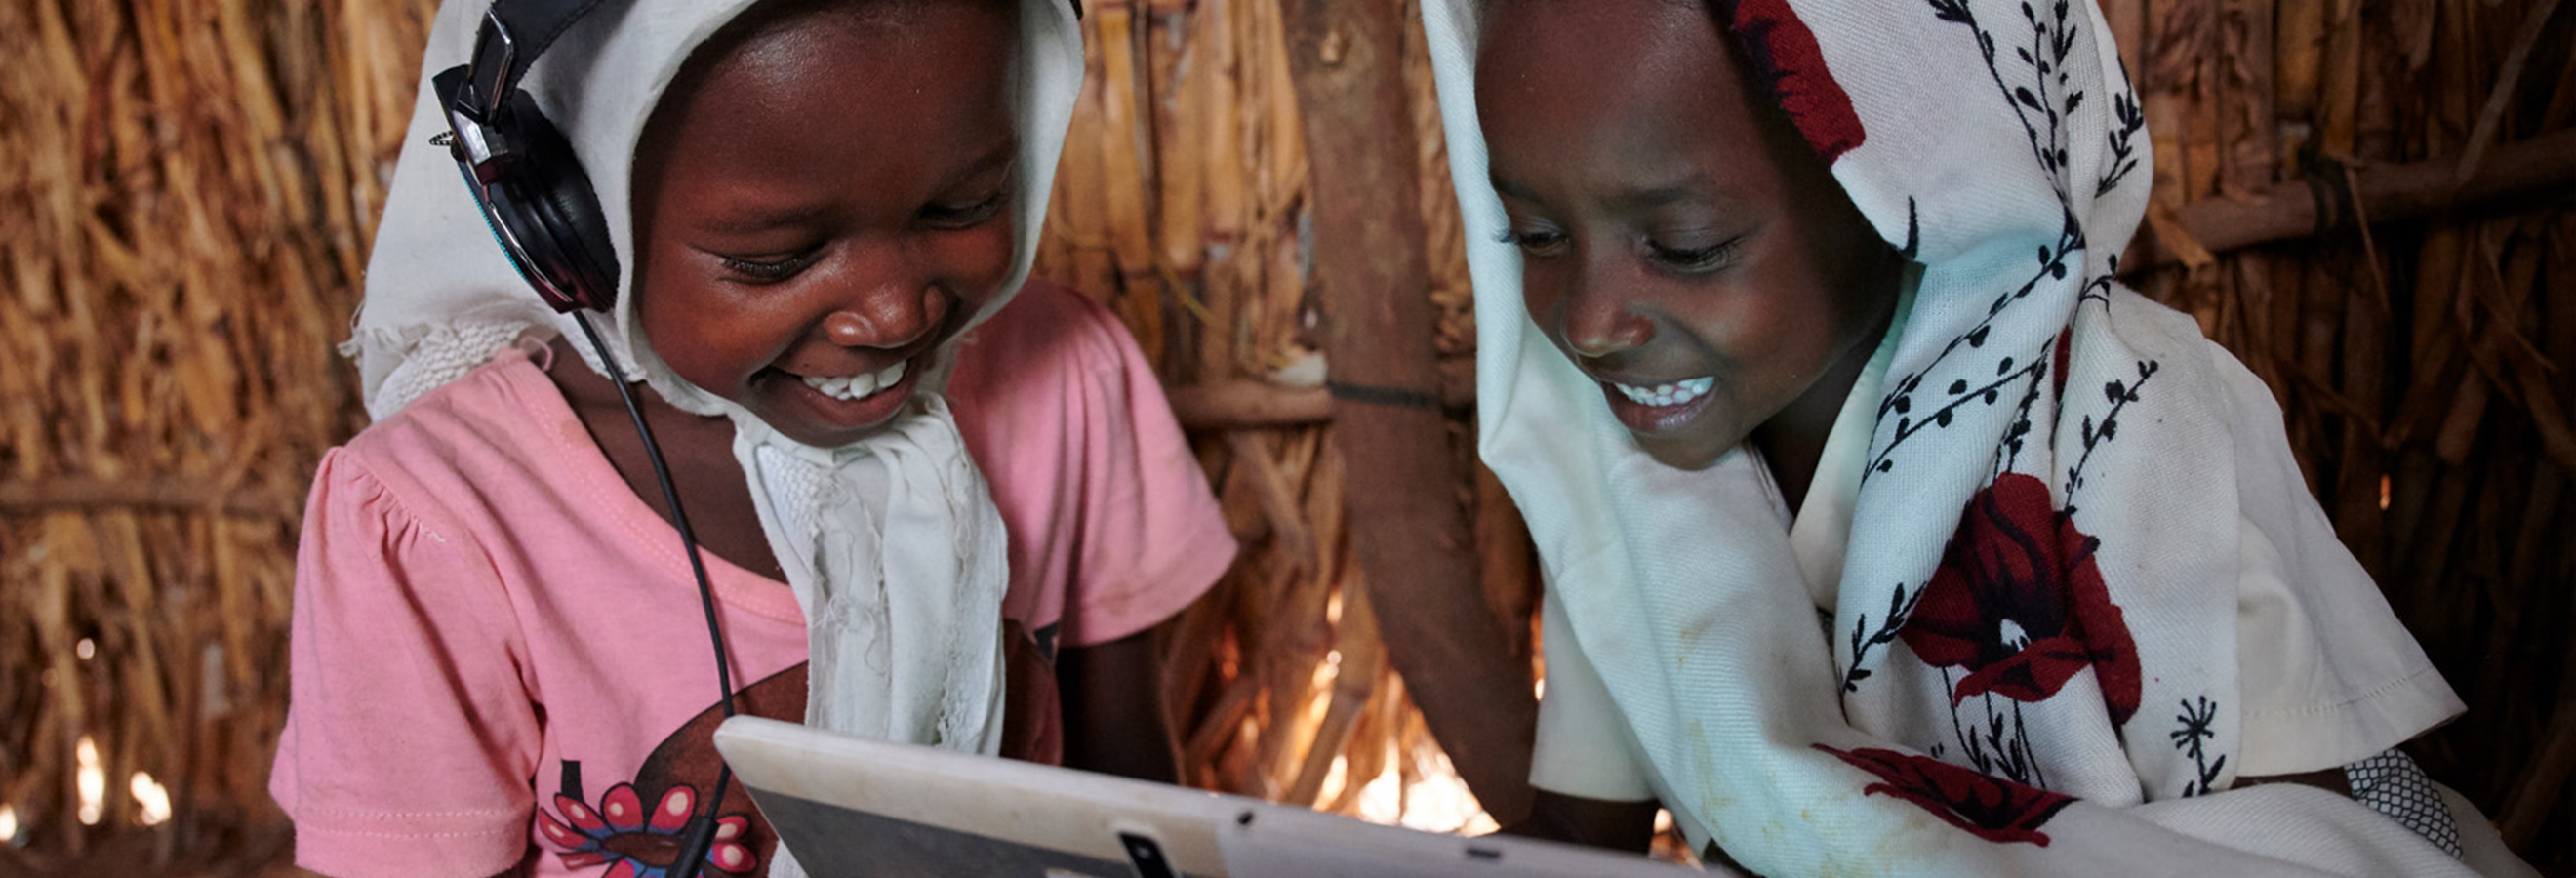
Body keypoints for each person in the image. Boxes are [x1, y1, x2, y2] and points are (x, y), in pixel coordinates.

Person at [1420, 0, 2536, 874]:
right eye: (1536, 234)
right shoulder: (1630, 493)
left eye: (1688, 243)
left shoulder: (2132, 424)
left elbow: (2324, 843)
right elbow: (1580, 833)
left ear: (1915, 190)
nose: (1589, 322)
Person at [268, 1, 1236, 876]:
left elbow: (1133, 797)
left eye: (964, 205)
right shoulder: (437, 519)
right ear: (568, 229)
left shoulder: (1069, 378)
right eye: (775, 260)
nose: (894, 311)